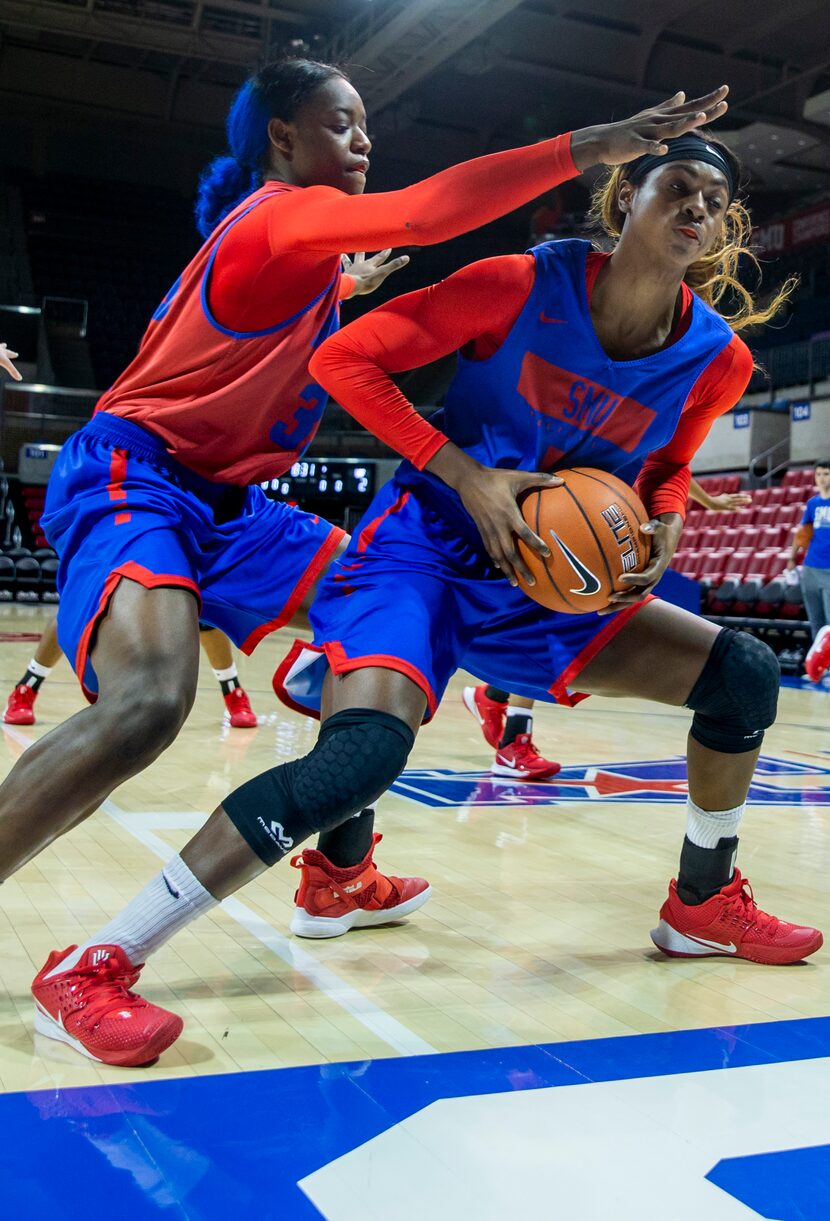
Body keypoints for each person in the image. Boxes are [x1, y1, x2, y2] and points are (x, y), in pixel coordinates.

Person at [30, 87, 794, 1070]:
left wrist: (663, 528)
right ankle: (102, 959)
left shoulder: (716, 361)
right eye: (675, 187)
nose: (696, 208)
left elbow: (669, 471)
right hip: (421, 553)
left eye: (712, 202)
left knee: (741, 674)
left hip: (545, 579)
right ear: (622, 203)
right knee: (363, 757)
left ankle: (698, 904)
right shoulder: (515, 284)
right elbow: (346, 362)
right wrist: (466, 475)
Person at [461, 471, 754, 776]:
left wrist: (707, 501)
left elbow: (669, 461)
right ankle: (513, 741)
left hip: (609, 520)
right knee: (550, 629)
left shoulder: (647, 431)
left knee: (551, 631)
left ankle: (493, 699)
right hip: (567, 515)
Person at [3, 618, 259, 728]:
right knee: (72, 609)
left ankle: (233, 693)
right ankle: (26, 689)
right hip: (109, 523)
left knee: (205, 614)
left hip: (168, 520)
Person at [788, 459, 830, 682]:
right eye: (819, 474)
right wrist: (792, 557)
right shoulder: (813, 504)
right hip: (811, 567)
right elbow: (803, 533)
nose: (822, 478)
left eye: (826, 474)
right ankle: (818, 668)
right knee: (817, 621)